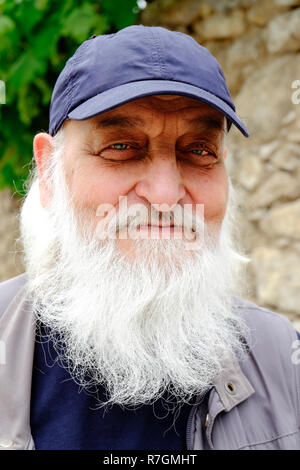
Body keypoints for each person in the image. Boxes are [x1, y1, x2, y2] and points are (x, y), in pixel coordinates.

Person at [0, 25, 299, 451]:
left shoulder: (284, 359)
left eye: (198, 151)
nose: (164, 194)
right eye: (121, 146)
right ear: (50, 170)